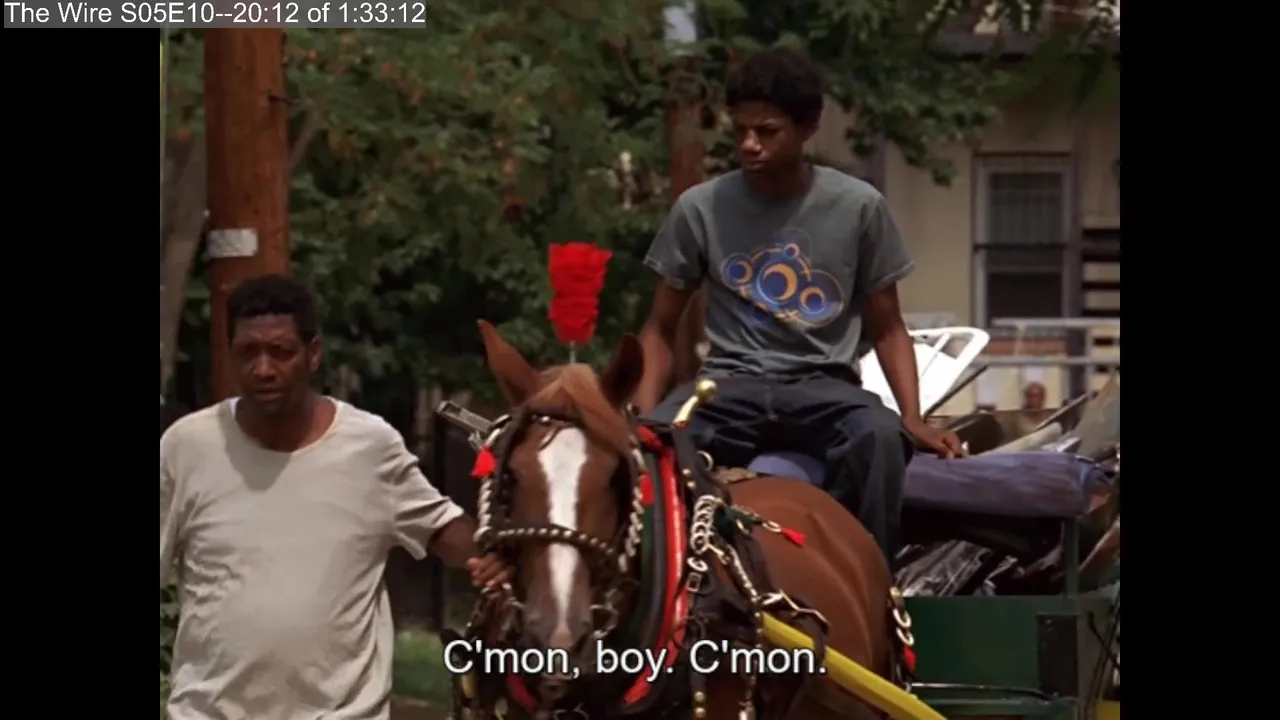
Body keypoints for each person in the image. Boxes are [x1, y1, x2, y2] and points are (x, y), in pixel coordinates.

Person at [633, 47, 964, 559]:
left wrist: (912, 417)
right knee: (654, 450)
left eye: (767, 131)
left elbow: (888, 327)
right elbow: (659, 328)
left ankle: (875, 578)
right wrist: (642, 418)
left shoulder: (858, 207)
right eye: (741, 130)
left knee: (879, 437)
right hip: (728, 387)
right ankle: (661, 582)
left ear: (808, 127)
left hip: (823, 389)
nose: (749, 144)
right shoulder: (700, 208)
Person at [159, 275, 508, 720]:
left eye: (280, 352)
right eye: (248, 352)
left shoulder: (369, 447)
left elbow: (440, 528)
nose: (263, 368)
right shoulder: (188, 447)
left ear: (314, 354)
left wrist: (494, 559)